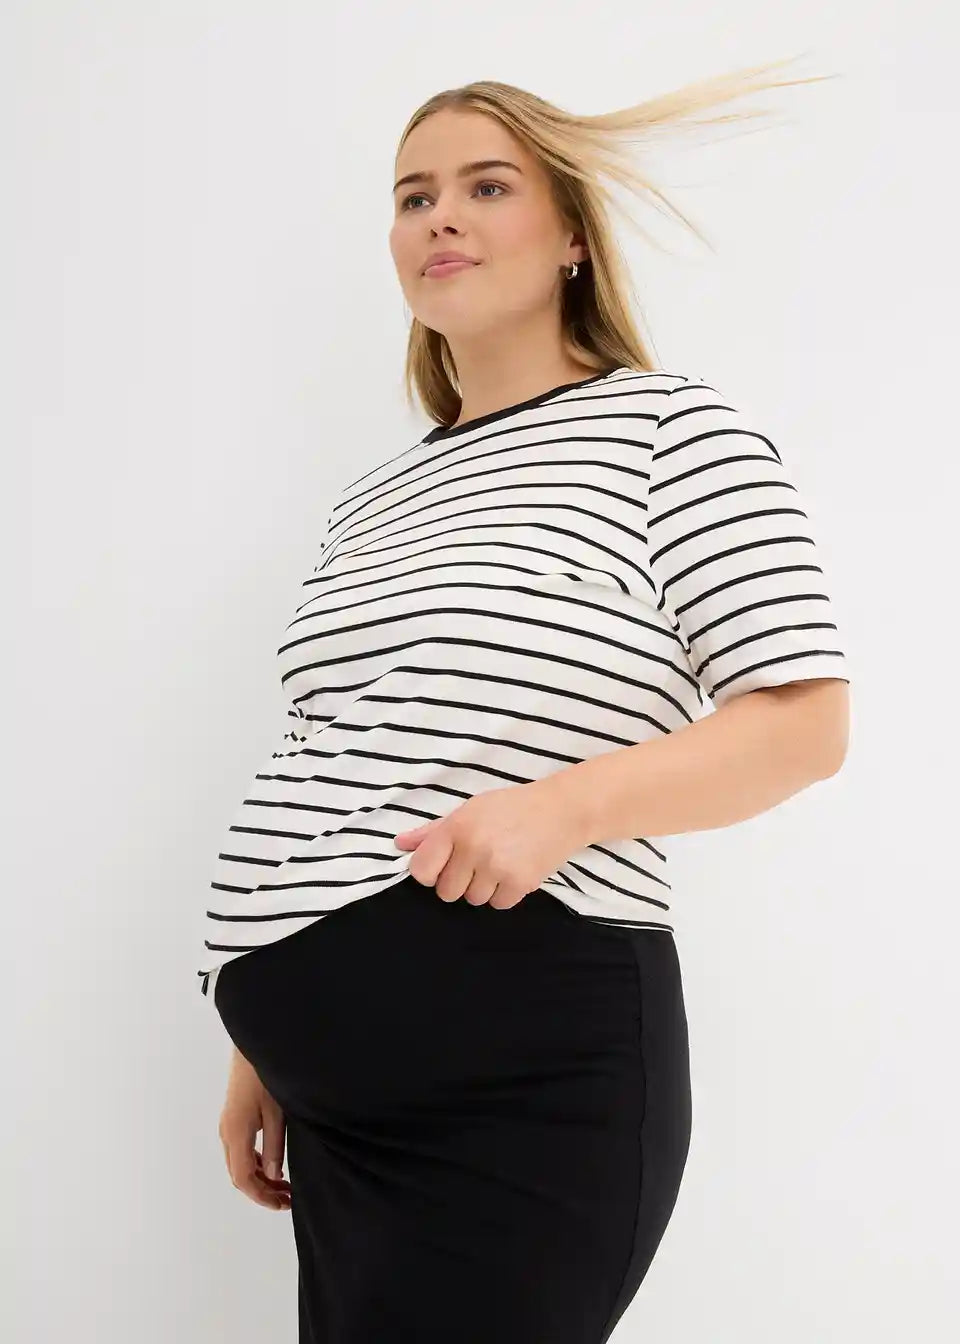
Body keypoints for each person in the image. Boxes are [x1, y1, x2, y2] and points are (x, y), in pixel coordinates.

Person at [205, 65, 851, 1343]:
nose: (440, 216)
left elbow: (804, 722)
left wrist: (561, 810)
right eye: (414, 196)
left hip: (524, 1077)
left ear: (570, 239)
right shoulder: (373, 499)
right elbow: (343, 760)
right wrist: (258, 1038)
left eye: (487, 187)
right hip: (334, 1099)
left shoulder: (670, 432)